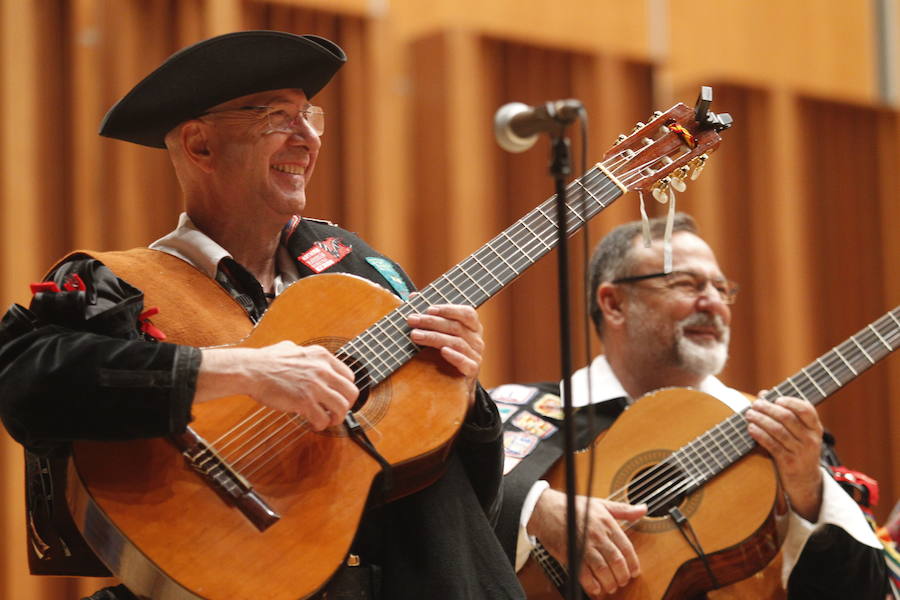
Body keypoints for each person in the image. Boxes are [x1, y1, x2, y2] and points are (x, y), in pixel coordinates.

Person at [0, 31, 524, 600]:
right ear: (200, 146)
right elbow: (28, 381)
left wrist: (464, 388)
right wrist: (242, 370)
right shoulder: (119, 282)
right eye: (277, 117)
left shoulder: (358, 271)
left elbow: (457, 480)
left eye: (310, 117)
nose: (307, 139)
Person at [491, 213, 890, 599]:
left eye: (721, 288)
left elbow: (867, 592)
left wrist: (809, 491)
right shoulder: (519, 413)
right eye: (687, 284)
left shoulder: (785, 439)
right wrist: (537, 506)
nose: (713, 303)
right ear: (613, 304)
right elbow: (443, 517)